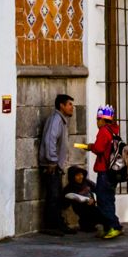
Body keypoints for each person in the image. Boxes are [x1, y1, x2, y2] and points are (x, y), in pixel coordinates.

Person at [38, 93, 76, 234]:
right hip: (51, 165)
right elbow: (50, 140)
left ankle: (57, 223)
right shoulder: (56, 120)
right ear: (62, 105)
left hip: (55, 165)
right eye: (69, 104)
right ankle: (51, 226)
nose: (72, 107)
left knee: (56, 195)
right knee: (53, 195)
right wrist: (52, 161)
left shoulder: (61, 120)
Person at [89, 104, 125, 239]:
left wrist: (90, 146)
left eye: (98, 119)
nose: (97, 122)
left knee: (103, 200)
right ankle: (109, 227)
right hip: (112, 173)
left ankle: (114, 227)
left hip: (104, 171)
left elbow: (98, 148)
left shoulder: (104, 131)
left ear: (103, 120)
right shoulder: (113, 131)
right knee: (109, 200)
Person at [62, 165, 100, 233]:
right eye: (77, 175)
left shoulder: (87, 182)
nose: (80, 177)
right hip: (82, 209)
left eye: (81, 174)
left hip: (94, 205)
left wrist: (94, 200)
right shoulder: (69, 188)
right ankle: (86, 224)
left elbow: (98, 189)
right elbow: (64, 205)